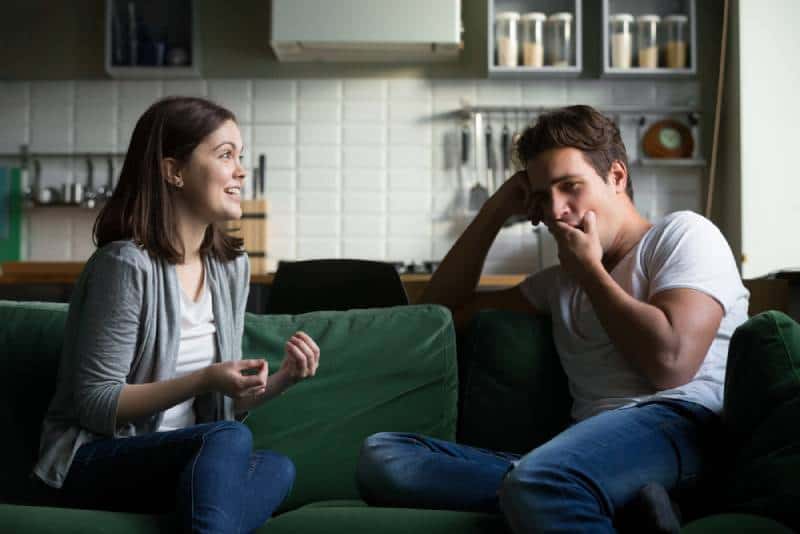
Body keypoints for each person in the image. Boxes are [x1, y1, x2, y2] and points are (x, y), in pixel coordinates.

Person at [356, 105, 749, 533]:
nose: (556, 210)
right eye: (543, 196)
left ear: (616, 177)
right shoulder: (556, 284)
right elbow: (437, 318)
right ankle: (604, 495)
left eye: (570, 187)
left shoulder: (682, 235)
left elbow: (671, 364)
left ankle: (559, 485)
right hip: (583, 448)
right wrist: (497, 208)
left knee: (540, 481)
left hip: (681, 424)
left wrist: (591, 273)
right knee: (384, 458)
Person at [32, 96, 321, 534]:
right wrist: (205, 378)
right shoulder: (127, 265)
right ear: (174, 171)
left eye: (239, 157)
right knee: (228, 440)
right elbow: (96, 406)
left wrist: (284, 379)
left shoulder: (230, 268)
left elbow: (223, 402)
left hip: (184, 458)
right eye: (225, 155)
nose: (241, 171)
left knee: (276, 467)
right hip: (96, 457)